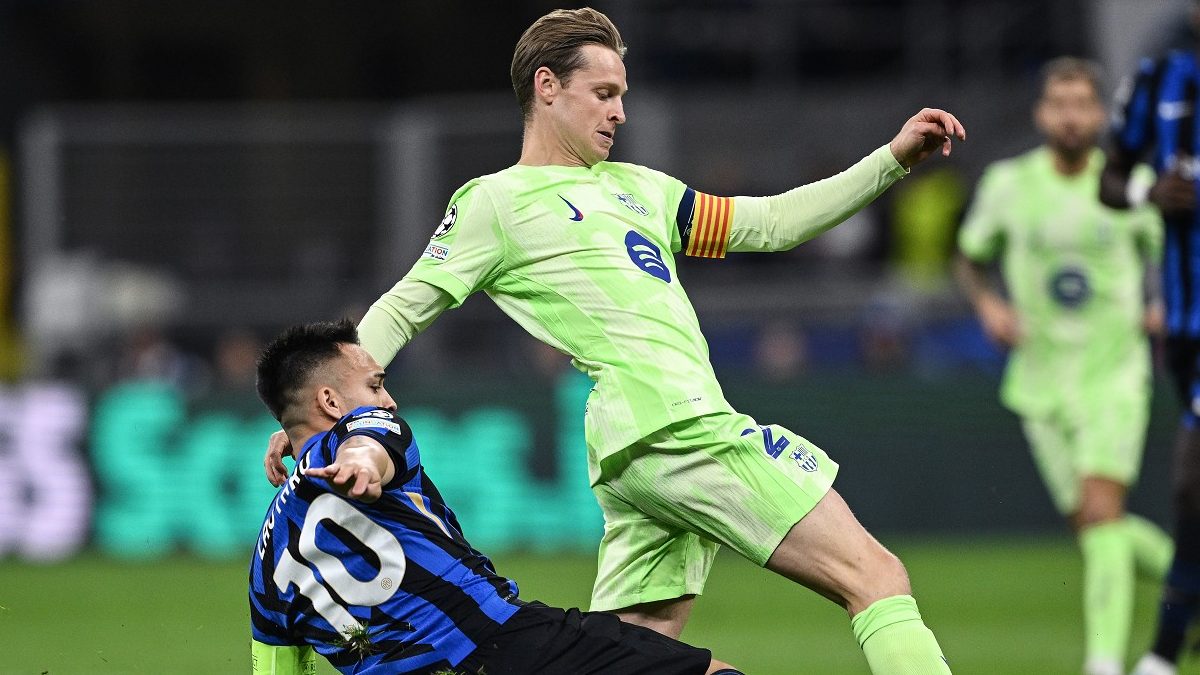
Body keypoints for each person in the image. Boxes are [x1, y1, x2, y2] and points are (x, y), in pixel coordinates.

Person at [264, 8, 962, 672]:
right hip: (678, 429)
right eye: (602, 94)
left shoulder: (641, 190)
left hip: (636, 450)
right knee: (874, 575)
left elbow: (772, 224)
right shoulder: (496, 202)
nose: (619, 112)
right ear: (547, 87)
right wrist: (321, 412)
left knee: (628, 655)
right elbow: (402, 308)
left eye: (621, 95)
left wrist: (891, 160)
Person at [249, 319, 744, 675]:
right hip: (498, 646)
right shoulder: (362, 430)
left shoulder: (264, 565)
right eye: (375, 385)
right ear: (330, 401)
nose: (388, 400)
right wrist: (361, 463)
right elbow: (369, 442)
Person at [956, 56, 1171, 675]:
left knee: (1102, 516)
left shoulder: (1131, 186)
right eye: (1059, 104)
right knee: (1098, 529)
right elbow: (969, 257)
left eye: (1082, 104)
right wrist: (989, 306)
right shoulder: (1008, 184)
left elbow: (1177, 251)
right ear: (1041, 114)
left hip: (1114, 372)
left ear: (1101, 115)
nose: (1071, 117)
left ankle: (1103, 664)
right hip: (1040, 380)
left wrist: (1163, 302)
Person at [1101, 5, 1200, 673]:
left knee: (1193, 481)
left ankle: (1164, 649)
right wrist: (1146, 194)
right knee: (1194, 490)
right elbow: (1109, 178)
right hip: (1187, 328)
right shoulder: (1158, 77)